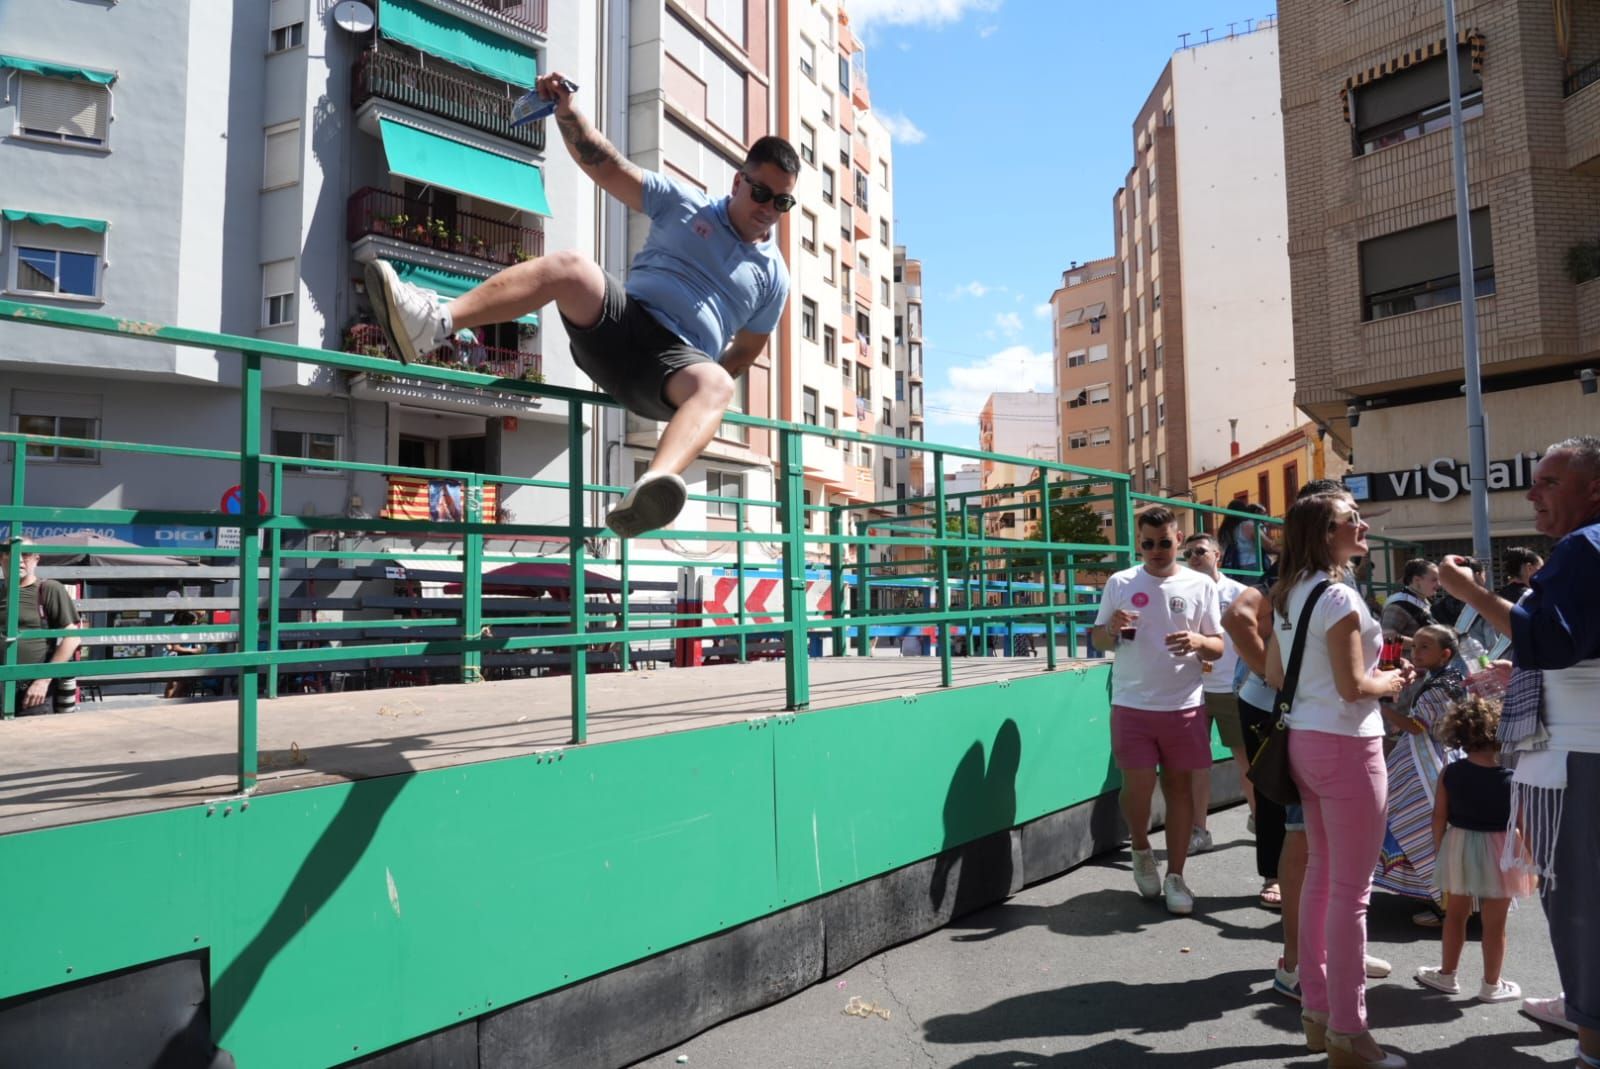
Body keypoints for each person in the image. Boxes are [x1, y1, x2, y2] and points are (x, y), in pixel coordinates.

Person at [364, 72, 796, 539]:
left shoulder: (774, 277)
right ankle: (432, 323)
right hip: (619, 327)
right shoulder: (684, 203)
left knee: (716, 382)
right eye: (761, 193)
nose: (769, 208)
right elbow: (606, 167)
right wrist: (568, 115)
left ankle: (652, 486)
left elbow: (748, 350)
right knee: (572, 267)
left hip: (671, 370)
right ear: (738, 181)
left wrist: (695, 398)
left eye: (783, 202)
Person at [1435, 435, 1600, 1061]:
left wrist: (1470, 592)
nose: (1532, 494)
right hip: (1579, 748)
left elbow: (1553, 643)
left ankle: (1592, 1040)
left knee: (1581, 904)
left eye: (1550, 483)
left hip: (1578, 760)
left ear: (1594, 489)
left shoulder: (1584, 547)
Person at [1266, 493, 1410, 1067]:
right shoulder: (1340, 595)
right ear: (1329, 534)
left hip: (1304, 741)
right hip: (1348, 746)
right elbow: (1355, 686)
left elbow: (1277, 675)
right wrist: (1393, 679)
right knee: (1351, 894)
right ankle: (1350, 1032)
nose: (1363, 524)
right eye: (1353, 519)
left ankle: (1318, 1013)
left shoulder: (1289, 594)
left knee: (1323, 882)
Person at [1091, 507, 1225, 916]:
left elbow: (1218, 646)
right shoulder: (1121, 582)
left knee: (1180, 791)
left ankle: (1177, 875)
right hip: (1131, 703)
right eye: (1147, 544)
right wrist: (1111, 626)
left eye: (1164, 543)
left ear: (1178, 539)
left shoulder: (1199, 584)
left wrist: (1199, 642)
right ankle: (1143, 849)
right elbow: (1099, 641)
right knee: (1137, 787)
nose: (1155, 551)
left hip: (1182, 705)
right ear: (1138, 542)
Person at [1413, 693, 1537, 1003]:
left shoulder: (1451, 773)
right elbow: (1524, 825)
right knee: (1495, 926)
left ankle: (1447, 975)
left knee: (1455, 916)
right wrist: (1533, 861)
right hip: (1502, 852)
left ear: (1459, 736)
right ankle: (1491, 985)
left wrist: (1442, 847)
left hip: (1460, 845)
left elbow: (1438, 816)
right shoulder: (1513, 779)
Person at [1373, 624, 1464, 927]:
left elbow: (1417, 726)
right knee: (1418, 825)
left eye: (1425, 647)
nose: (1417, 652)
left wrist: (1381, 709)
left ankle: (1444, 902)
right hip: (1429, 756)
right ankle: (1436, 895)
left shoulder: (1440, 687)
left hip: (1426, 763)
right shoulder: (1447, 679)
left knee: (1424, 827)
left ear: (1445, 653)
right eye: (1416, 646)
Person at [1179, 532, 1250, 855]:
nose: (1194, 557)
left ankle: (1259, 820)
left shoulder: (1239, 593)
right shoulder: (1178, 591)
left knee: (1246, 761)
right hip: (1191, 690)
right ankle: (1199, 831)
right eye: (1189, 552)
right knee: (1196, 764)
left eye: (1201, 551)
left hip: (1231, 690)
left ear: (1217, 555)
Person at [0, 537, 83, 715]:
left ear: (36, 559)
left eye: (26, 554)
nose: (19, 560)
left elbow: (72, 638)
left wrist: (43, 681)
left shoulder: (48, 589)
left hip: (32, 693)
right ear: (1, 558)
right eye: (11, 554)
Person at [1380, 558, 1438, 654]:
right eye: (1434, 580)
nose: (1438, 584)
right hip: (1407, 666)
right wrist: (1424, 645)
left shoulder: (1425, 601)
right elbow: (1387, 636)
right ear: (1417, 580)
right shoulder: (1398, 605)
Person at [1218, 501, 1270, 574]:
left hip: (1232, 568)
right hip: (1251, 565)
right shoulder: (1248, 525)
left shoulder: (1225, 530)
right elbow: (1269, 546)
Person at [164, 610, 205, 699]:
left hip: (184, 657)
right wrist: (192, 650)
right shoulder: (178, 629)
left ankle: (175, 701)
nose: (195, 623)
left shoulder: (187, 630)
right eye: (194, 621)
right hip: (177, 658)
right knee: (174, 683)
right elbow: (175, 647)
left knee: (181, 683)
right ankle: (169, 702)